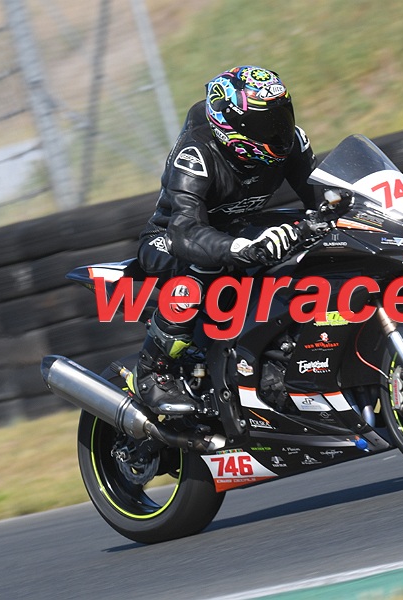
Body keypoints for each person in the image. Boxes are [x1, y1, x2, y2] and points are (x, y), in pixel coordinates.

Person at [131, 65, 320, 412]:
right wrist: (239, 248)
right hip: (170, 239)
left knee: (310, 238)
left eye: (281, 117)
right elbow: (184, 231)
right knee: (204, 267)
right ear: (231, 124)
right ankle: (152, 371)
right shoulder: (196, 153)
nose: (279, 131)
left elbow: (321, 198)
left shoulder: (292, 142)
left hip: (239, 230)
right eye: (265, 123)